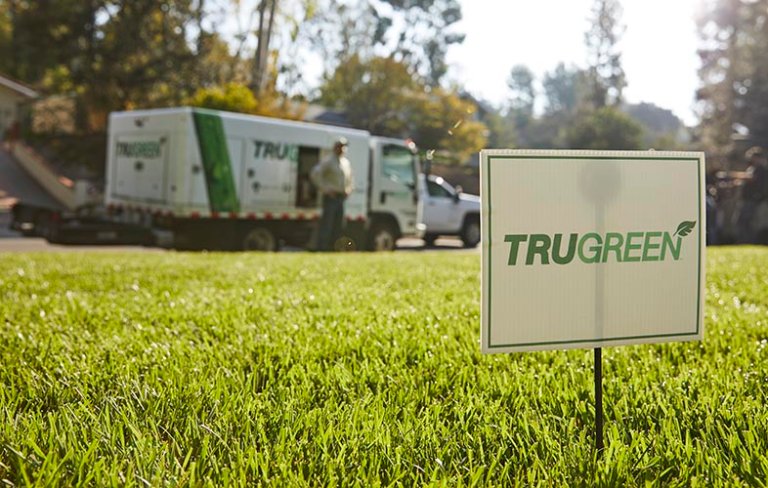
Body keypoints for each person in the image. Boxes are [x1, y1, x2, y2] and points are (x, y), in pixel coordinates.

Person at [310, 137, 353, 251]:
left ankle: (334, 248)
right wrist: (325, 189)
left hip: (341, 197)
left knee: (339, 225)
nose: (342, 149)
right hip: (331, 197)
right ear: (335, 148)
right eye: (340, 146)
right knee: (327, 224)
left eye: (344, 147)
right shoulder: (328, 161)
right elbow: (315, 174)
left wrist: (349, 189)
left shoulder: (345, 162)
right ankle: (322, 248)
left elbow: (349, 179)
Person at [736, 146, 768, 243]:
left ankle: (748, 241)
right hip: (747, 199)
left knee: (747, 221)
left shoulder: (760, 168)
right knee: (742, 221)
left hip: (753, 199)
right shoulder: (752, 168)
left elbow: (751, 178)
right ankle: (744, 241)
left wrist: (731, 175)